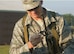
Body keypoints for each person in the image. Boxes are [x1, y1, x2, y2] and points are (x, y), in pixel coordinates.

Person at [9, 0, 74, 54]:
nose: (33, 12)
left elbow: (69, 45)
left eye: (35, 7)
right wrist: (30, 45)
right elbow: (13, 52)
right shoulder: (21, 25)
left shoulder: (58, 20)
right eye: (30, 10)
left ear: (41, 2)